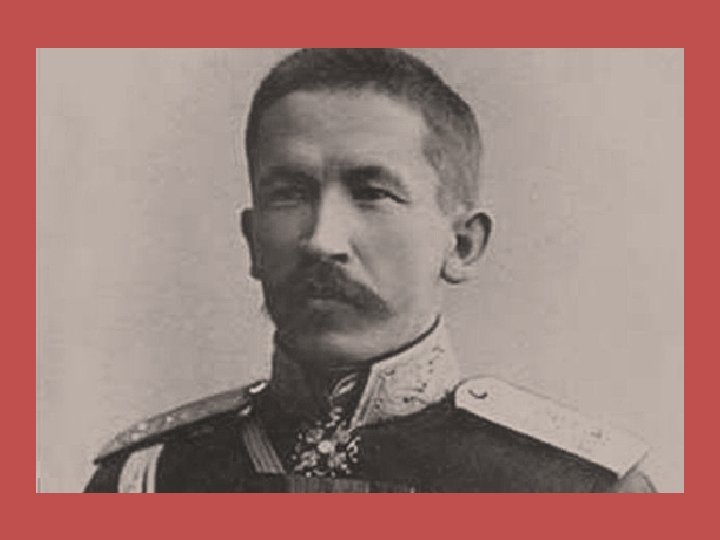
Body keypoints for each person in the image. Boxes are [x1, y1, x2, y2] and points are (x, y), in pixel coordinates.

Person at [84, 48, 655, 493]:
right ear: (252, 241)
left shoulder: (576, 491)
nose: (321, 240)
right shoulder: (146, 482)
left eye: (372, 192)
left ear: (461, 245)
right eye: (289, 193)